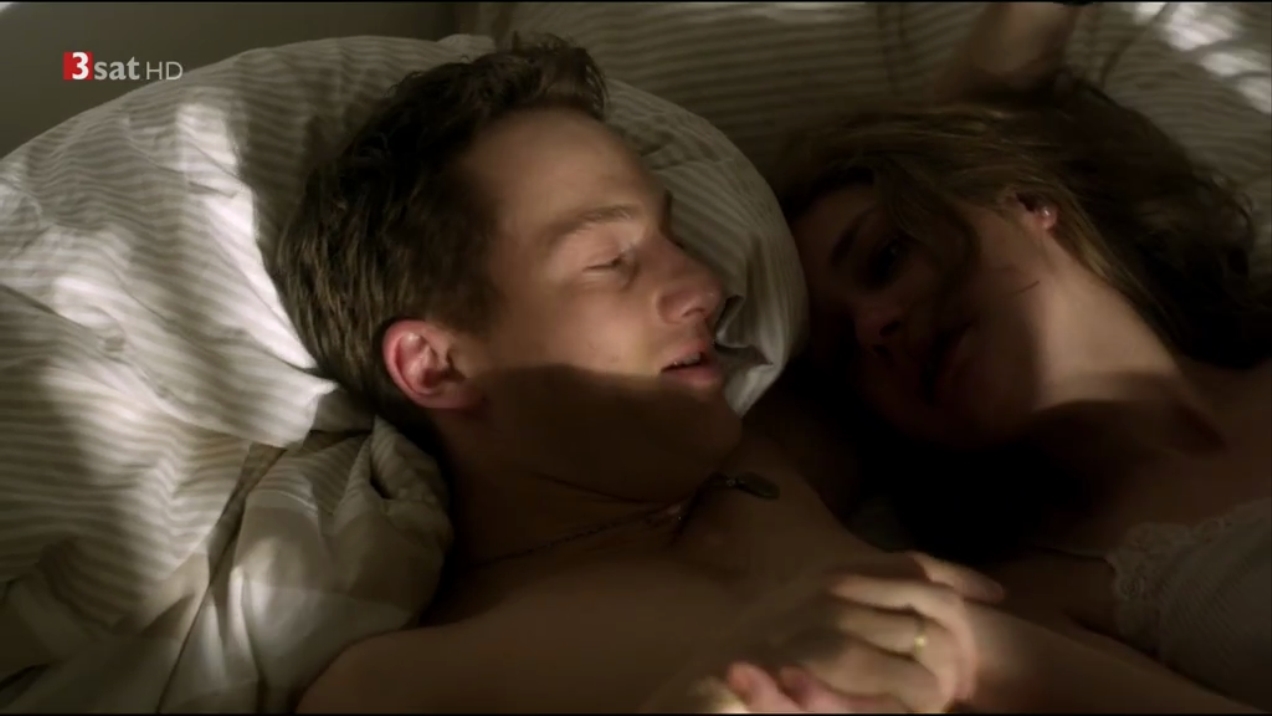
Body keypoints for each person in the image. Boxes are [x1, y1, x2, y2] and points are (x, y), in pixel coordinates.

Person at [268, 21, 1260, 716]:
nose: (705, 285)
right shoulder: (405, 682)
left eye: (675, 235)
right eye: (613, 258)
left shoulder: (774, 456)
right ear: (435, 366)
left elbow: (939, 228)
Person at [767, 4, 1272, 711]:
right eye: (846, 355)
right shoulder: (1030, 605)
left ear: (1029, 198)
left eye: (886, 256)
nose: (875, 327)